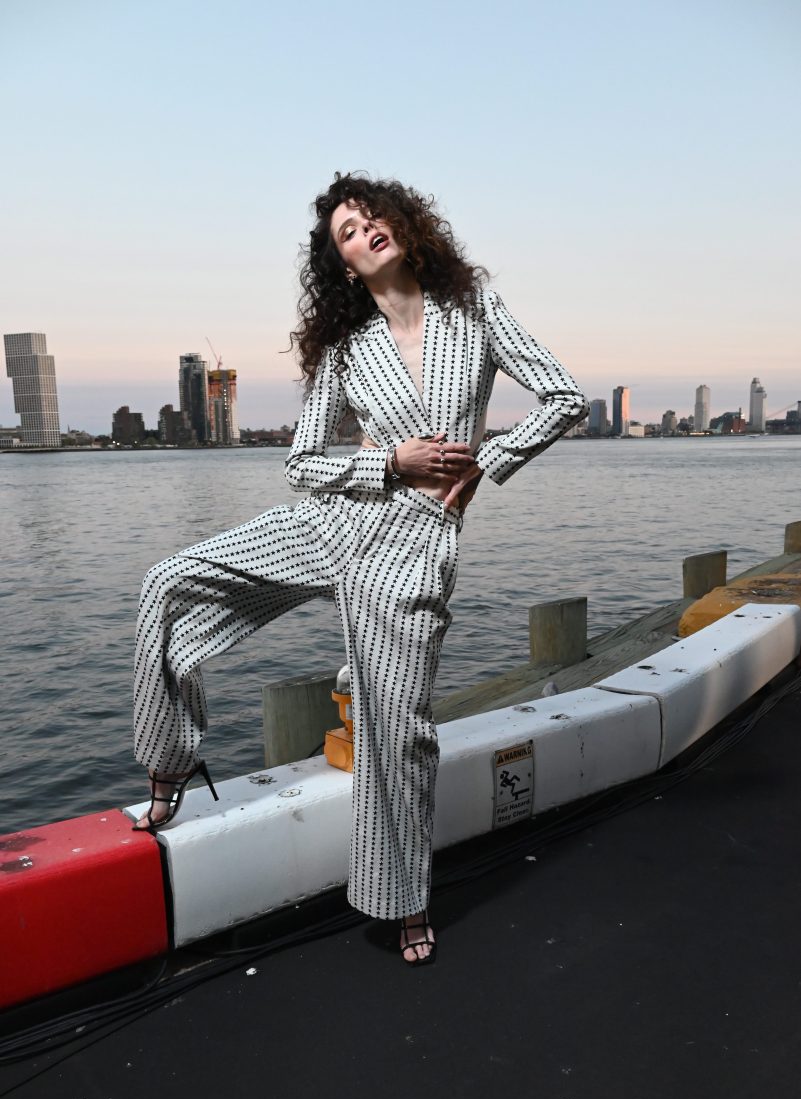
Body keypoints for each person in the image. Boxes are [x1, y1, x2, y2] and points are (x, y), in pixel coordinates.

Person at [131, 172, 588, 966]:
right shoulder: (346, 350)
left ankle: (403, 900)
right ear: (342, 264)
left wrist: (484, 462)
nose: (364, 229)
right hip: (334, 519)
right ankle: (169, 761)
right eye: (347, 229)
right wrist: (389, 463)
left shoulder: (472, 311)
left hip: (413, 543)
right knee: (168, 582)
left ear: (404, 227)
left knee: (395, 728)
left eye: (372, 215)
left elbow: (562, 397)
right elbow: (302, 462)